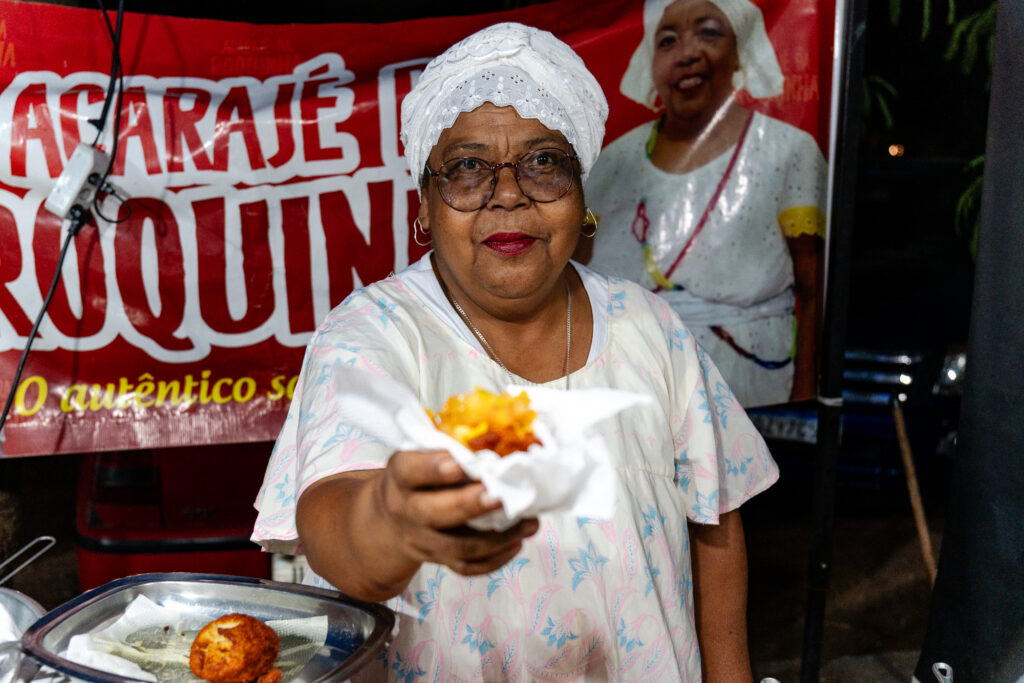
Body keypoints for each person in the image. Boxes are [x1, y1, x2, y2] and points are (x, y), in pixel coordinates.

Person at [252, 21, 778, 682]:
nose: (507, 194)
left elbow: (716, 519)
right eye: (468, 168)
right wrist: (394, 514)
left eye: (543, 163)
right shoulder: (373, 334)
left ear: (582, 198)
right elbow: (335, 529)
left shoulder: (652, 327)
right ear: (423, 207)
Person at [580, 0, 828, 407]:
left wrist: (803, 398)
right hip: (631, 384)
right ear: (651, 62)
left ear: (739, 53)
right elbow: (577, 286)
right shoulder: (612, 162)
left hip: (749, 384)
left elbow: (815, 290)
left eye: (708, 32)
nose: (687, 52)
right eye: (667, 40)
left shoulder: (789, 150)